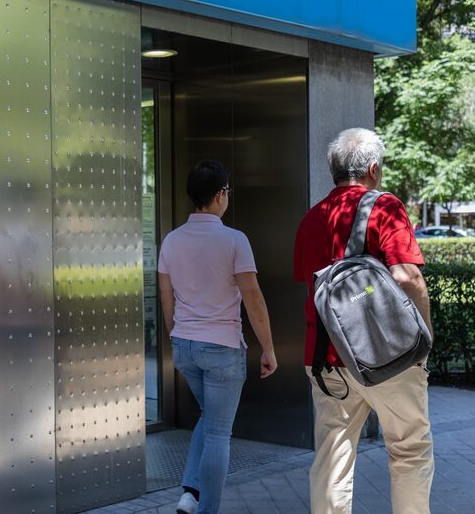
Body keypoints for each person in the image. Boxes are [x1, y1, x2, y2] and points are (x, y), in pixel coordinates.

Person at [293, 128, 435, 514]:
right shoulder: (384, 206)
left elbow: (310, 286)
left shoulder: (311, 219)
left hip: (325, 358)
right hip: (386, 354)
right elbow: (408, 277)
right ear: (374, 168)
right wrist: (425, 338)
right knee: (409, 449)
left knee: (332, 460)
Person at [158, 160, 277, 514]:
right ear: (220, 194)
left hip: (185, 346)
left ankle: (189, 493)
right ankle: (207, 508)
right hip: (223, 349)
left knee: (209, 419)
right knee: (218, 433)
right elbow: (253, 298)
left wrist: (176, 335)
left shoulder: (171, 240)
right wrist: (268, 348)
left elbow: (166, 297)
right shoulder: (234, 240)